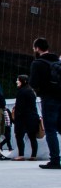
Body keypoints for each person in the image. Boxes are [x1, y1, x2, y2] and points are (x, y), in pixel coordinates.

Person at [30, 38, 61, 169]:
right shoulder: (58, 61)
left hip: (49, 99)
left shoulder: (37, 63)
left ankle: (54, 160)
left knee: (50, 130)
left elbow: (33, 83)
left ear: (37, 48)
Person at [13, 75, 40, 161]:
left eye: (18, 80)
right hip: (32, 116)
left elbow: (20, 106)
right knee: (32, 137)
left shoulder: (21, 91)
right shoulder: (31, 90)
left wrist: (15, 117)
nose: (17, 82)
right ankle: (33, 155)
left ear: (23, 81)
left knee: (19, 136)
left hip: (23, 118)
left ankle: (21, 155)